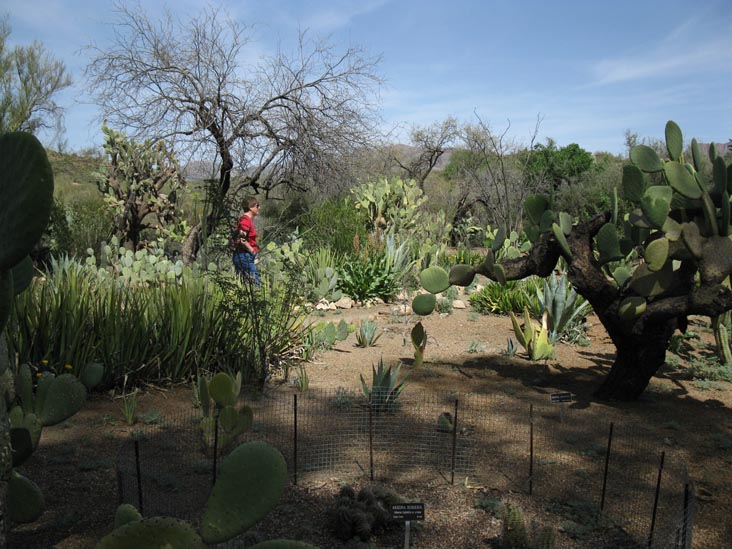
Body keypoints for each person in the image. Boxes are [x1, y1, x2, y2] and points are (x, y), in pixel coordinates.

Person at [232, 197, 261, 285]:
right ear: (251, 208)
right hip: (244, 256)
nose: (259, 208)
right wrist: (251, 250)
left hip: (242, 255)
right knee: (255, 284)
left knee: (244, 284)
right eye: (257, 206)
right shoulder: (245, 221)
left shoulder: (244, 220)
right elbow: (241, 239)